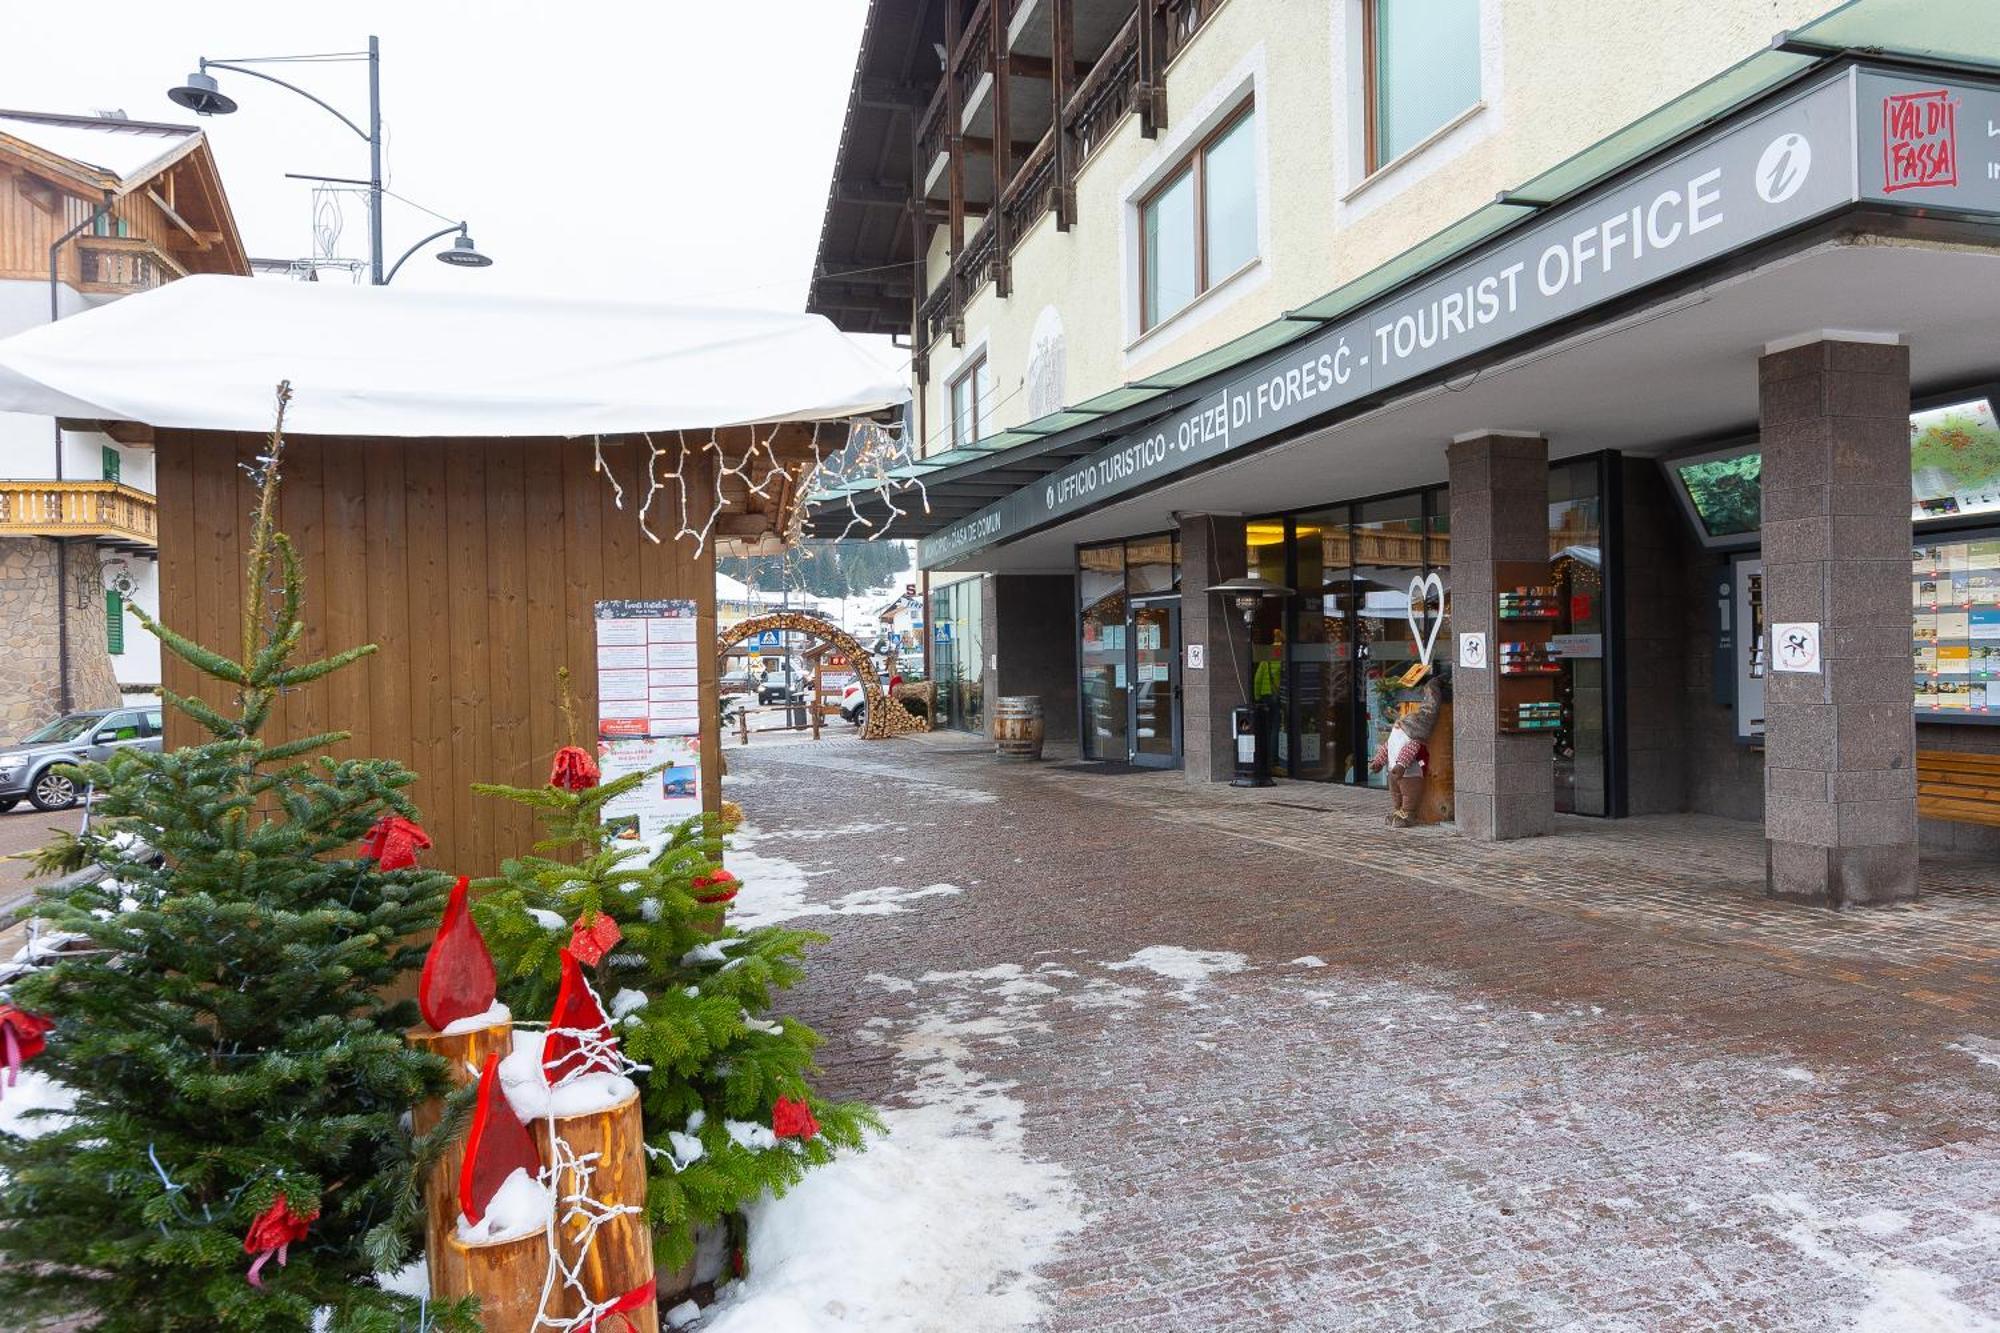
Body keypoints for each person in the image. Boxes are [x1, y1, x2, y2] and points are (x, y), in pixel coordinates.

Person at [1368, 667, 1448, 828]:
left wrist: (1400, 765)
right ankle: (1398, 811)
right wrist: (1378, 762)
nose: (1399, 720)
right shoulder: (1399, 731)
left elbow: (1408, 751)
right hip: (1394, 772)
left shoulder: (1413, 734)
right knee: (1396, 793)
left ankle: (1408, 813)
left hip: (1408, 773)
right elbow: (1387, 748)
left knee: (1408, 795)